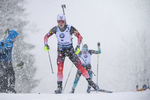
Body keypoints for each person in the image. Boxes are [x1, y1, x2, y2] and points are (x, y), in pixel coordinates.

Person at [44, 14, 100, 94]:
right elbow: (46, 37)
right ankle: (59, 87)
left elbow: (80, 37)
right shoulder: (55, 29)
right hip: (61, 50)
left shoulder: (70, 28)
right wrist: (46, 44)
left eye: (62, 21)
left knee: (80, 67)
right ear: (57, 22)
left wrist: (77, 46)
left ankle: (92, 84)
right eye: (59, 21)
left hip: (70, 50)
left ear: (65, 21)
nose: (61, 23)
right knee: (60, 68)